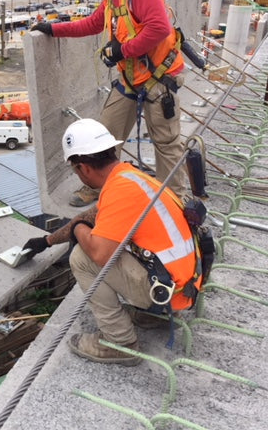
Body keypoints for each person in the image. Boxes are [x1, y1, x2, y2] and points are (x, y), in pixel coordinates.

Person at [22, 119, 199, 365]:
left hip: (171, 292)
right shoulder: (130, 177)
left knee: (82, 258)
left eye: (75, 171)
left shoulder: (120, 191)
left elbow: (99, 254)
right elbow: (90, 216)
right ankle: (152, 316)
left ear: (83, 168)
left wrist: (79, 230)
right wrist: (48, 241)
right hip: (184, 283)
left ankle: (119, 342)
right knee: (107, 243)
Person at [31, 0, 188, 205]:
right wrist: (53, 29)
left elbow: (160, 28)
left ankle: (174, 202)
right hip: (131, 79)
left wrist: (122, 51)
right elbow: (93, 23)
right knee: (104, 136)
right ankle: (98, 187)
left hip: (158, 80)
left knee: (166, 144)